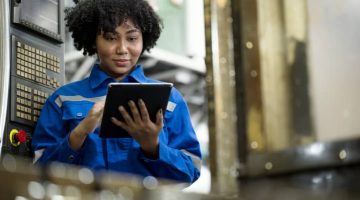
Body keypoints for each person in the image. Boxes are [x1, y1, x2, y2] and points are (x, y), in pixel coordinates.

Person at [31, 0, 201, 184]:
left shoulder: (170, 99)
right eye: (111, 38)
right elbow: (38, 171)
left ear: (144, 39)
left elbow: (191, 170)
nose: (122, 49)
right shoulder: (63, 99)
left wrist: (153, 146)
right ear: (93, 40)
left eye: (132, 38)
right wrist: (80, 132)